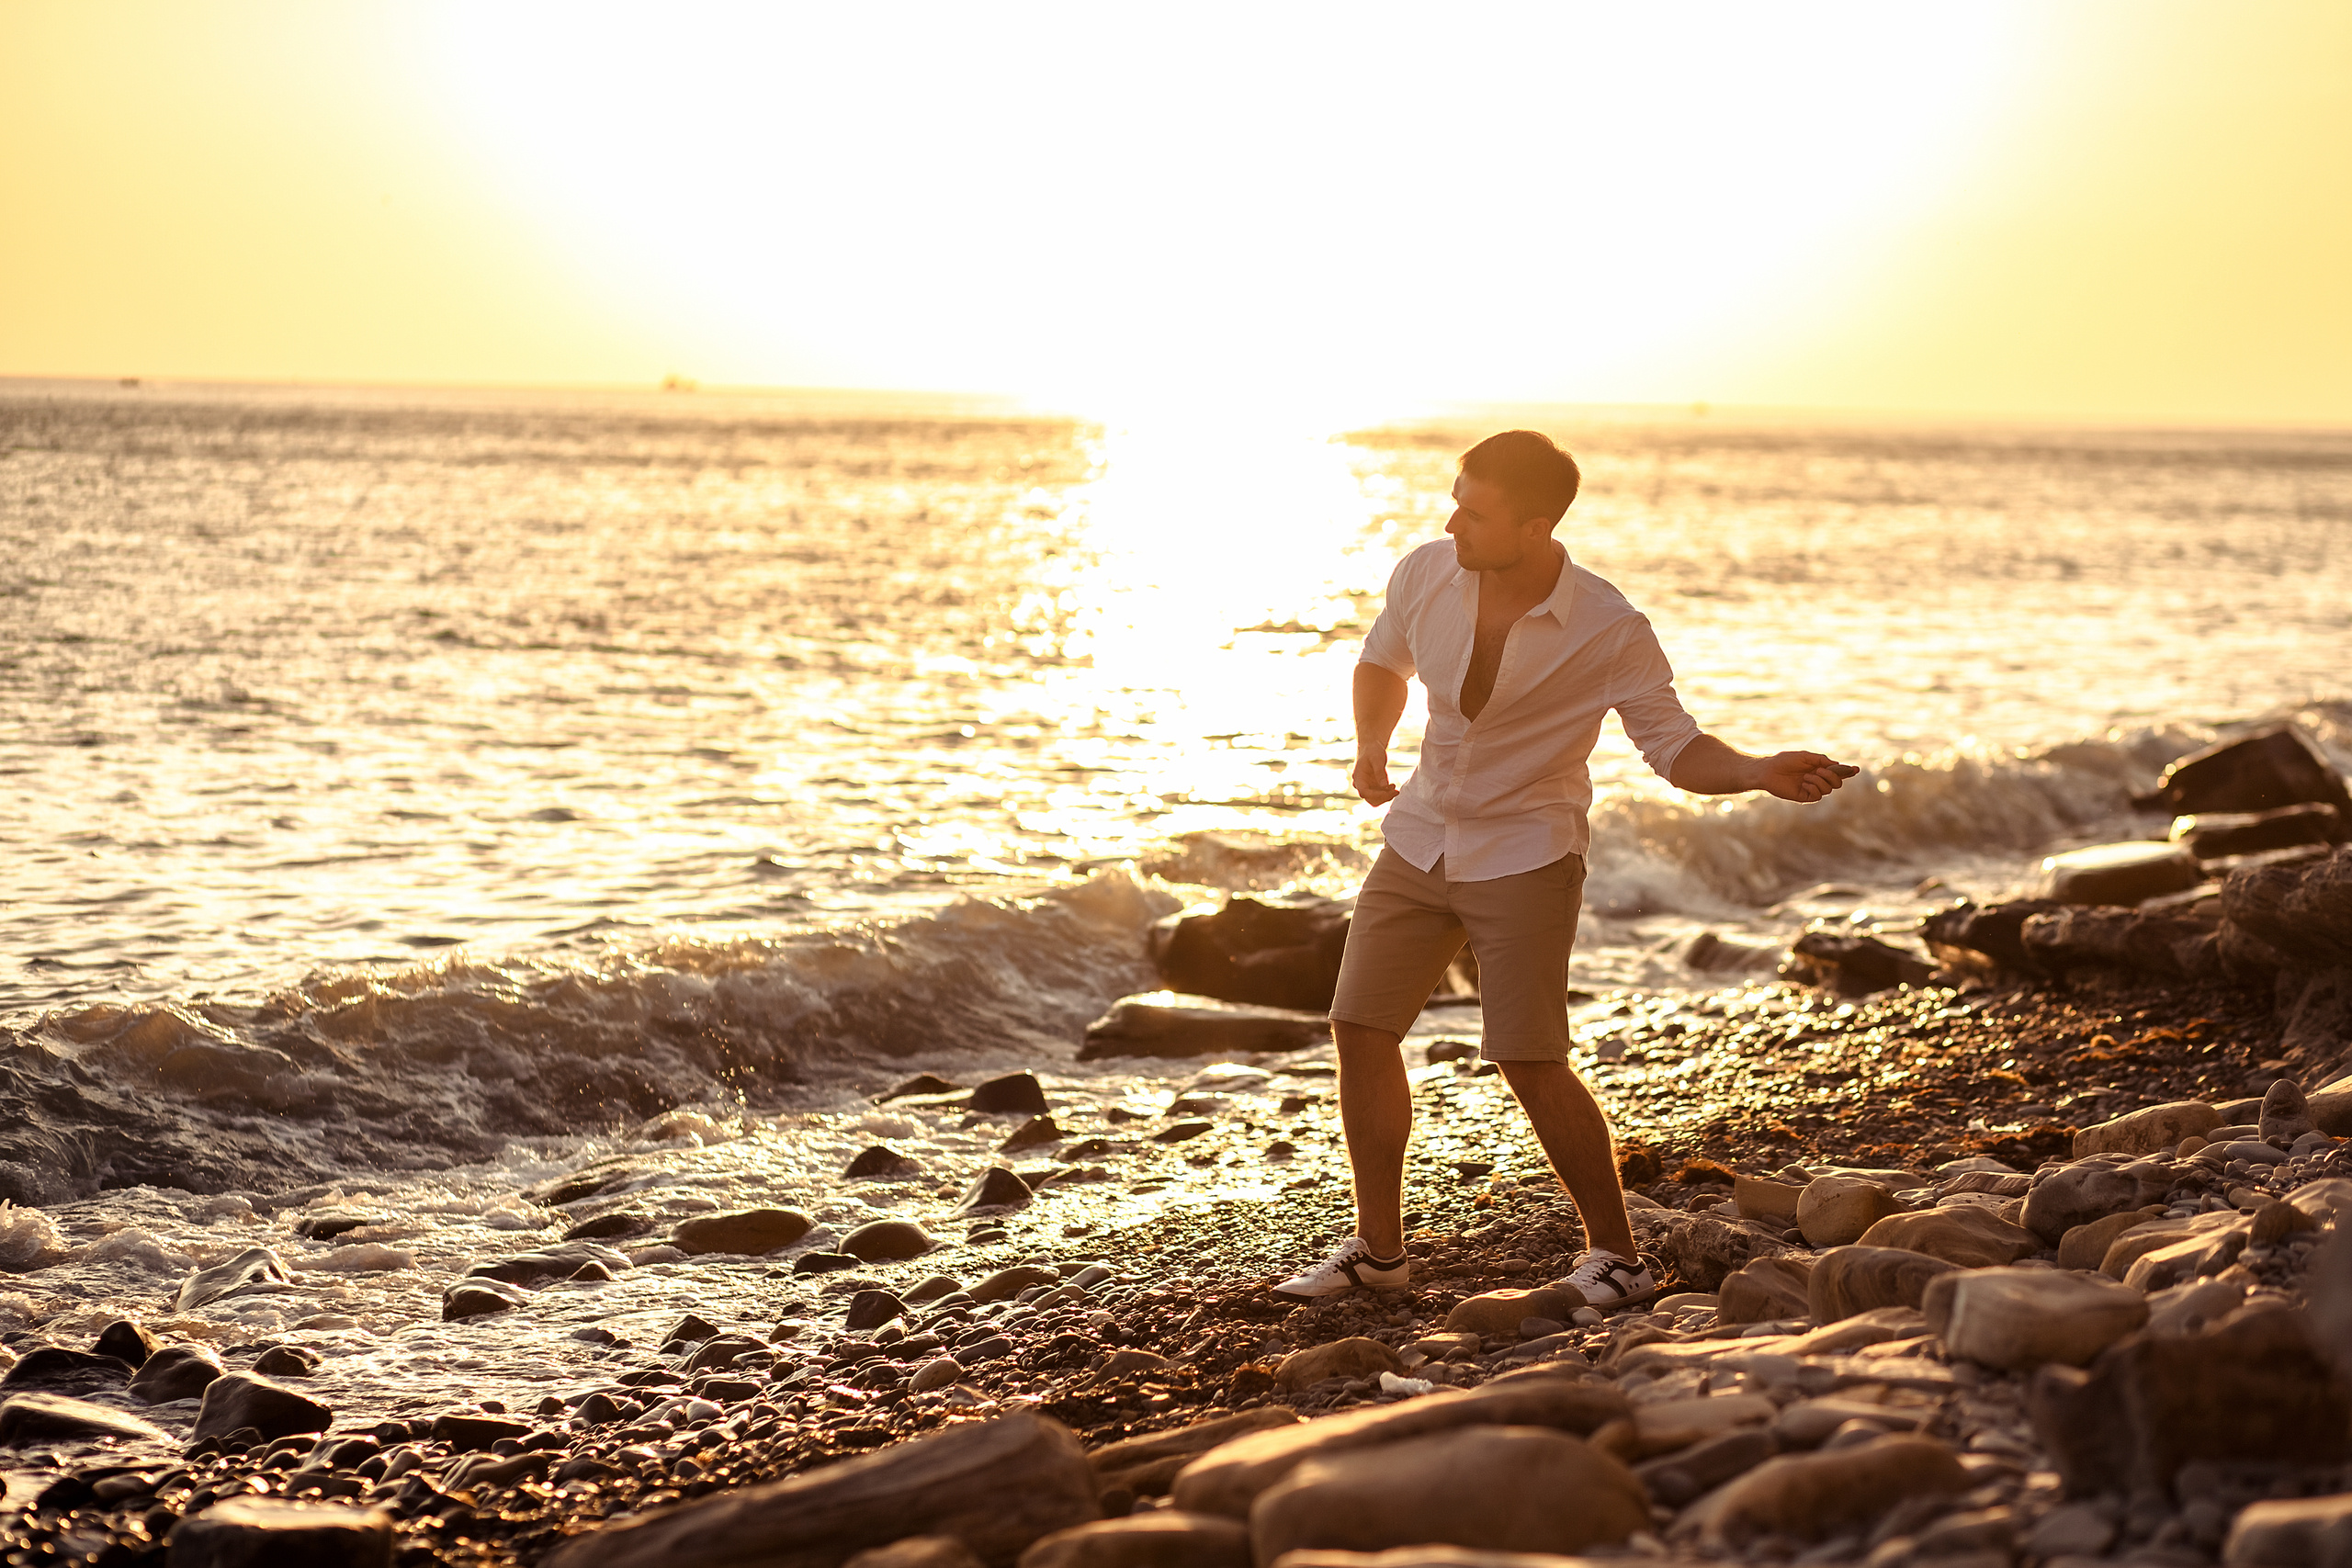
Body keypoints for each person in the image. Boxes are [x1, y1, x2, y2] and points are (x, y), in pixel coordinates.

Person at [1272, 430, 1853, 1309]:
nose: (1451, 518)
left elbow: (1674, 745)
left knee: (1530, 1059)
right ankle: (1381, 1253)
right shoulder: (1426, 571)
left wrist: (1757, 770)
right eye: (1455, 498)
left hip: (1526, 855)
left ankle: (1614, 1254)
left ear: (1537, 525)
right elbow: (1380, 658)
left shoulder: (1609, 628)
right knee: (1359, 1026)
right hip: (1420, 835)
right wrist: (1370, 748)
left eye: (1474, 509)